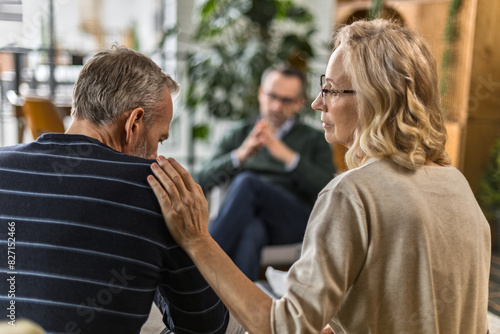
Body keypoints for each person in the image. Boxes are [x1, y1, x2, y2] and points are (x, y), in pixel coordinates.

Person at [148, 19, 491, 333]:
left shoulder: (353, 193)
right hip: (266, 224)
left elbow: (282, 328)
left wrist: (197, 241)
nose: (317, 102)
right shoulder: (456, 183)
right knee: (249, 229)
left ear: (375, 99)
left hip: (290, 218)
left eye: (330, 89)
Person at [0, 46, 228, 334]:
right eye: (159, 138)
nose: (156, 155)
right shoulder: (155, 189)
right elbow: (206, 327)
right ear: (133, 123)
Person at [198, 65, 335, 280]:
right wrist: (240, 155)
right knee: (251, 232)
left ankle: (199, 264)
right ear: (261, 94)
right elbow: (201, 182)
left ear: (299, 103)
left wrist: (288, 157)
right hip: (250, 219)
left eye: (287, 101)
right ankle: (236, 311)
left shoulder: (314, 139)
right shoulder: (239, 134)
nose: (277, 106)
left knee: (248, 182)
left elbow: (329, 188)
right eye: (272, 96)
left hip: (293, 222)